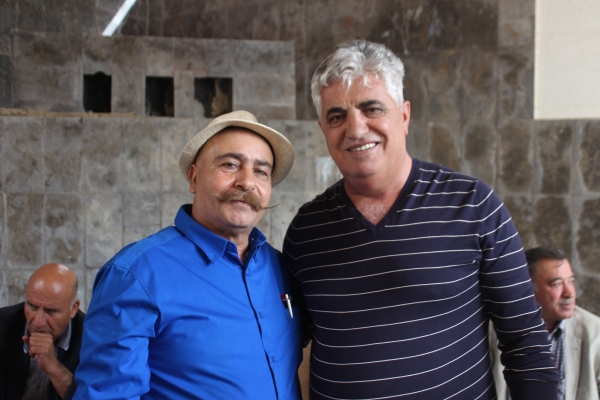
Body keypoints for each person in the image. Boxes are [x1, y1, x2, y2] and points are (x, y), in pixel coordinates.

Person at [282, 40, 558, 399]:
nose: (355, 128)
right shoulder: (306, 229)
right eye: (337, 116)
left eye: (371, 108)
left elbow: (526, 342)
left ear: (404, 115)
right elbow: (287, 341)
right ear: (323, 128)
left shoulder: (473, 205)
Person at [73, 110, 302, 399]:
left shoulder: (279, 267)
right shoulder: (135, 275)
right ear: (194, 178)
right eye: (230, 165)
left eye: (261, 171)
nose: (247, 182)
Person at [491, 247, 600, 400]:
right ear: (527, 289)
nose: (569, 293)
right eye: (557, 284)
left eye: (571, 281)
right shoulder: (491, 329)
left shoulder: (595, 332)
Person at [0, 263, 84, 400]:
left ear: (73, 308)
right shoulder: (3, 324)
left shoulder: (92, 338)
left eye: (51, 311)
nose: (38, 322)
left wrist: (53, 367)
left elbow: (91, 396)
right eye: (32, 307)